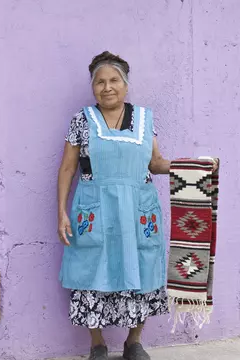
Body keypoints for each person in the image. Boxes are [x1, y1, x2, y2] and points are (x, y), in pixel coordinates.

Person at [57, 51, 218, 360]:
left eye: (114, 80)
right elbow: (67, 168)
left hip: (138, 213)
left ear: (126, 85)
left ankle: (134, 342)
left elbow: (155, 163)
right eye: (99, 82)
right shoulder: (82, 120)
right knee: (91, 273)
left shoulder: (144, 119)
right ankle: (97, 344)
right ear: (92, 87)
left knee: (143, 271)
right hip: (95, 210)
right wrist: (61, 212)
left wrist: (193, 167)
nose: (107, 87)